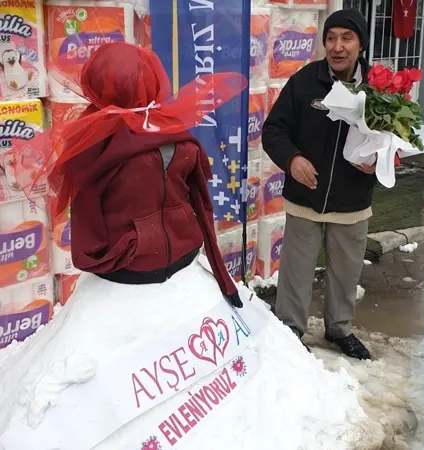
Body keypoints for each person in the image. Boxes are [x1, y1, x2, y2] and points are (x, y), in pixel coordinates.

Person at [0, 42, 373, 449]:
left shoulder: (89, 146)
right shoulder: (176, 136)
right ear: (152, 81)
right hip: (178, 265)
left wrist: (101, 258)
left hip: (123, 271)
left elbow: (88, 226)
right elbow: (201, 201)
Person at [262, 9, 375, 360]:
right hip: (305, 197)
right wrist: (293, 159)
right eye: (331, 38)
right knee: (296, 270)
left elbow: (397, 140)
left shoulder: (380, 88)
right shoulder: (305, 81)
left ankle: (339, 329)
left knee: (345, 272)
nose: (337, 47)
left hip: (352, 199)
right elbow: (274, 130)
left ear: (361, 44)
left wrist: (380, 162)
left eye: (347, 38)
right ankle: (291, 329)